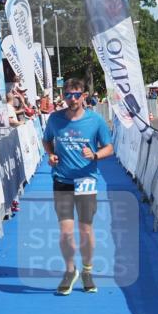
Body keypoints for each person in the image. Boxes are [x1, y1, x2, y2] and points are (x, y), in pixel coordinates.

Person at [42, 78, 113, 295]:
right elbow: (47, 140)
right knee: (65, 231)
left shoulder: (96, 120)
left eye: (76, 95)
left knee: (85, 229)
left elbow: (109, 147)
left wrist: (95, 155)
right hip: (62, 180)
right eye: (68, 95)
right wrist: (51, 155)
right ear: (63, 96)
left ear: (83, 96)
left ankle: (88, 270)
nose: (72, 99)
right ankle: (70, 270)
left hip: (86, 180)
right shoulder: (54, 119)